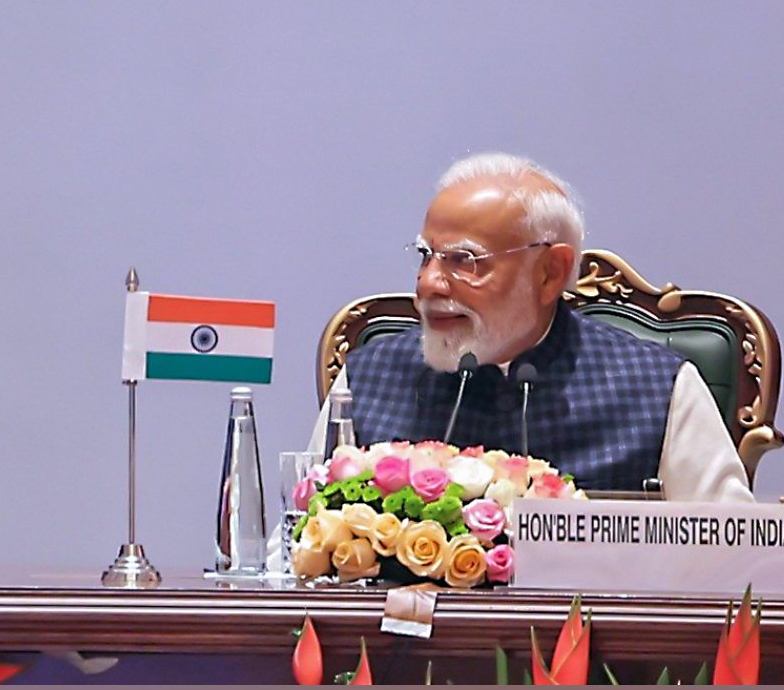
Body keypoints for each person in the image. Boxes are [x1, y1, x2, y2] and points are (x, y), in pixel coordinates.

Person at [309, 153, 752, 502]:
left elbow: (733, 558)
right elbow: (294, 549)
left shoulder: (658, 387)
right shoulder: (369, 378)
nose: (428, 283)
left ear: (549, 273)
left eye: (464, 260)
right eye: (427, 255)